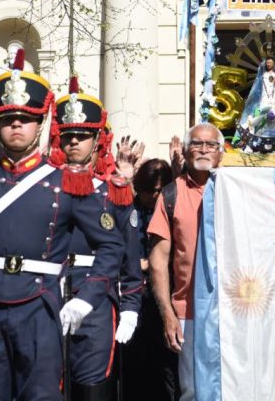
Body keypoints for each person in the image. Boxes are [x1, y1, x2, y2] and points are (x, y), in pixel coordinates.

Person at [0, 50, 126, 399]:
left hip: (40, 307)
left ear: (41, 123)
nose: (16, 124)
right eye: (8, 117)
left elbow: (111, 246)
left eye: (25, 118)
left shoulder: (66, 182)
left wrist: (87, 299)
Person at [49, 77, 142, 399]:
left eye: (81, 136)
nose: (73, 143)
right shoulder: (44, 187)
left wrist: (130, 304)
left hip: (97, 297)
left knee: (92, 387)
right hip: (48, 292)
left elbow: (129, 253)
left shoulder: (113, 189)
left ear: (97, 140)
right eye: (67, 136)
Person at [148, 123, 224, 401]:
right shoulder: (171, 195)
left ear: (221, 153)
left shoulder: (237, 189)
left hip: (234, 310)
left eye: (211, 145)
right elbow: (158, 262)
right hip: (187, 312)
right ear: (185, 150)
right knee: (193, 391)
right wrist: (168, 314)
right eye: (197, 144)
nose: (204, 149)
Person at [122, 158, 179, 401]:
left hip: (165, 296)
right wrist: (140, 263)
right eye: (150, 190)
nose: (155, 196)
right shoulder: (129, 210)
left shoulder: (171, 209)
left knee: (167, 367)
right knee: (135, 366)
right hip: (134, 297)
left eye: (160, 190)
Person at [234, 43, 275, 152]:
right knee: (260, 118)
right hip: (264, 98)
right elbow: (258, 88)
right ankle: (255, 142)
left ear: (274, 64)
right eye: (267, 63)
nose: (269, 65)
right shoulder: (262, 75)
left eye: (270, 63)